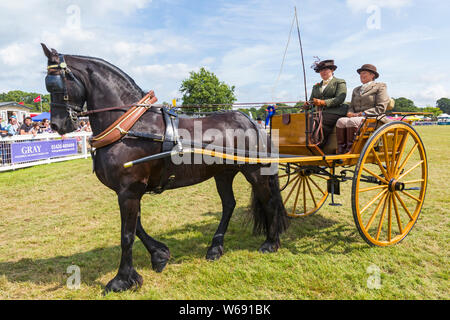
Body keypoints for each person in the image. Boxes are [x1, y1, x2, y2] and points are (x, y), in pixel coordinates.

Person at [336, 64, 390, 154]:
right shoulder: (356, 90)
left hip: (373, 119)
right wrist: (350, 113)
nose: (361, 75)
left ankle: (351, 149)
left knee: (351, 121)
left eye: (364, 73)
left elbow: (381, 107)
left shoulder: (380, 86)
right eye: (360, 73)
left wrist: (363, 113)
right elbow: (351, 106)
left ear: (372, 75)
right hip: (357, 118)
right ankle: (341, 149)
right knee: (341, 121)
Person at [307, 59, 348, 148]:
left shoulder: (339, 82)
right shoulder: (316, 86)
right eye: (321, 70)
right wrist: (307, 105)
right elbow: (312, 102)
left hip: (335, 111)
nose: (323, 72)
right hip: (319, 112)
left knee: (318, 119)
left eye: (325, 69)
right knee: (303, 118)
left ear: (332, 70)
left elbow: (340, 99)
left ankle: (318, 145)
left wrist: (323, 102)